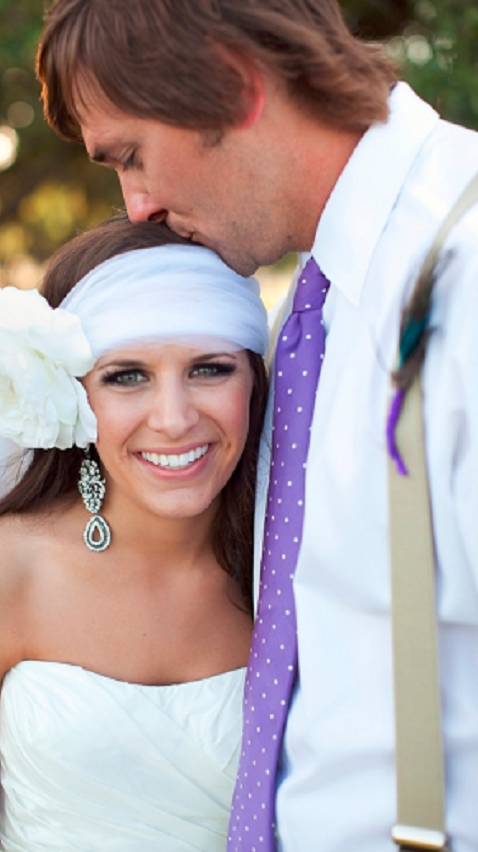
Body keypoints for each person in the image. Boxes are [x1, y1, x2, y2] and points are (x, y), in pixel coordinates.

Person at [35, 1, 478, 851]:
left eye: (132, 156)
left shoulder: (459, 277)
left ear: (234, 83)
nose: (136, 205)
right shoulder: (311, 312)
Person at [0, 215, 269, 852]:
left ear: (254, 379)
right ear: (73, 395)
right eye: (126, 375)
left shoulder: (286, 570)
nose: (174, 418)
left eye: (210, 369)